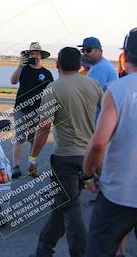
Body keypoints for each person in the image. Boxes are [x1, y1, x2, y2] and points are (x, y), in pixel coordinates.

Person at [28, 47, 103, 257]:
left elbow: (44, 127)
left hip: (65, 158)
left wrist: (33, 158)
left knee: (70, 207)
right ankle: (43, 250)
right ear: (80, 65)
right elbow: (107, 112)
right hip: (89, 157)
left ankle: (81, 253)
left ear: (57, 65)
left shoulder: (54, 88)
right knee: (62, 204)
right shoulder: (93, 84)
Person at [83, 27, 137, 257]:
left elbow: (98, 143)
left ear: (123, 58)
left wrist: (87, 174)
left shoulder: (118, 90)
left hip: (118, 193)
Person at [10, 42, 53, 178]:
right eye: (32, 53)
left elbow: (51, 91)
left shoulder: (46, 73)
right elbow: (13, 81)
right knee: (20, 137)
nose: (34, 55)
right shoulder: (24, 69)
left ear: (41, 55)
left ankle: (31, 165)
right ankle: (16, 166)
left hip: (38, 111)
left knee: (34, 139)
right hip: (22, 108)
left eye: (36, 53)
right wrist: (19, 66)